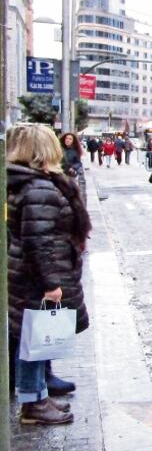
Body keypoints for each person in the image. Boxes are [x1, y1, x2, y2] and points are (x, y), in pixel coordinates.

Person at [7, 124, 92, 424]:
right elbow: (38, 242)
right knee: (34, 339)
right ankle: (33, 403)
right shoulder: (37, 188)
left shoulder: (29, 183)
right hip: (37, 278)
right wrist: (51, 284)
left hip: (29, 275)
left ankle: (39, 393)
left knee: (33, 338)